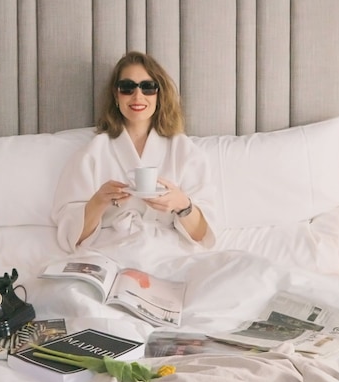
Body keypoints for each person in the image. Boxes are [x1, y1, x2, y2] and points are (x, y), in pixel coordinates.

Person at [52, 52, 216, 257]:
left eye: (148, 87)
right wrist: (99, 201)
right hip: (112, 252)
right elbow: (72, 237)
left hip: (168, 254)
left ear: (159, 95)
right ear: (116, 95)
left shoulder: (183, 150)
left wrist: (182, 205)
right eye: (127, 87)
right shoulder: (92, 154)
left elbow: (202, 235)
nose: (138, 96)